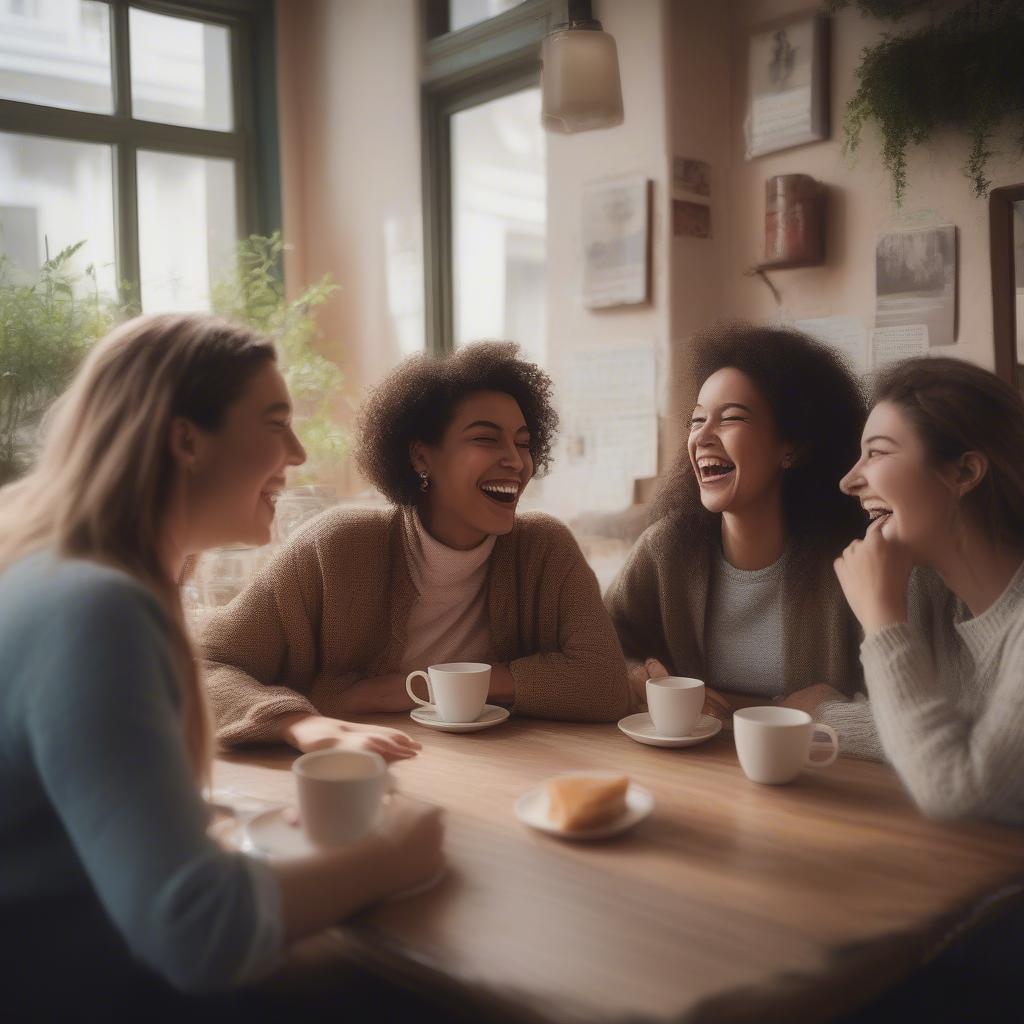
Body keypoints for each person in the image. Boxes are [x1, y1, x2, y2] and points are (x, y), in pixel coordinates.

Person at [0, 314, 444, 1013]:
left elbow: (71, 816)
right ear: (185, 439)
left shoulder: (54, 572)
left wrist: (224, 809)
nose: (297, 453)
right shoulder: (97, 607)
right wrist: (393, 855)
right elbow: (199, 933)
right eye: (275, 422)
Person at [203, 341, 631, 750]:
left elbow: (604, 683)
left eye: (523, 443)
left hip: (502, 771)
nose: (517, 462)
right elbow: (203, 667)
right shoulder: (336, 548)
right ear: (421, 457)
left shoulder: (544, 549)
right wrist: (298, 722)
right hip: (362, 771)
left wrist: (409, 688)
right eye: (486, 439)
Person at [605, 323, 871, 743]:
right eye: (697, 420)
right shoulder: (666, 549)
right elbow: (596, 647)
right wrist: (639, 678)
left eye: (730, 419)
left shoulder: (857, 563)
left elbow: (914, 721)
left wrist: (825, 714)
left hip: (821, 783)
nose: (703, 436)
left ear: (792, 447)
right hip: (698, 778)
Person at [834, 357, 1024, 823]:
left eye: (876, 453)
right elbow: (943, 733)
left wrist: (882, 623)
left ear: (963, 474)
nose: (849, 480)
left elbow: (959, 792)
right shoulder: (938, 597)